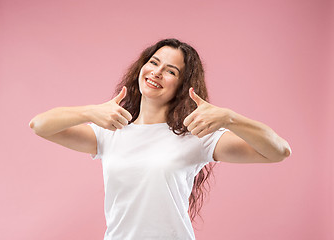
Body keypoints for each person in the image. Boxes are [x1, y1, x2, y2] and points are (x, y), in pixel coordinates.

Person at [29, 38, 291, 240]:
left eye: (171, 71)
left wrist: (230, 118)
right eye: (153, 62)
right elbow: (40, 125)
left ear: (182, 85)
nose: (156, 72)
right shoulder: (110, 132)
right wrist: (89, 112)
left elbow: (278, 151)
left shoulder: (196, 136)